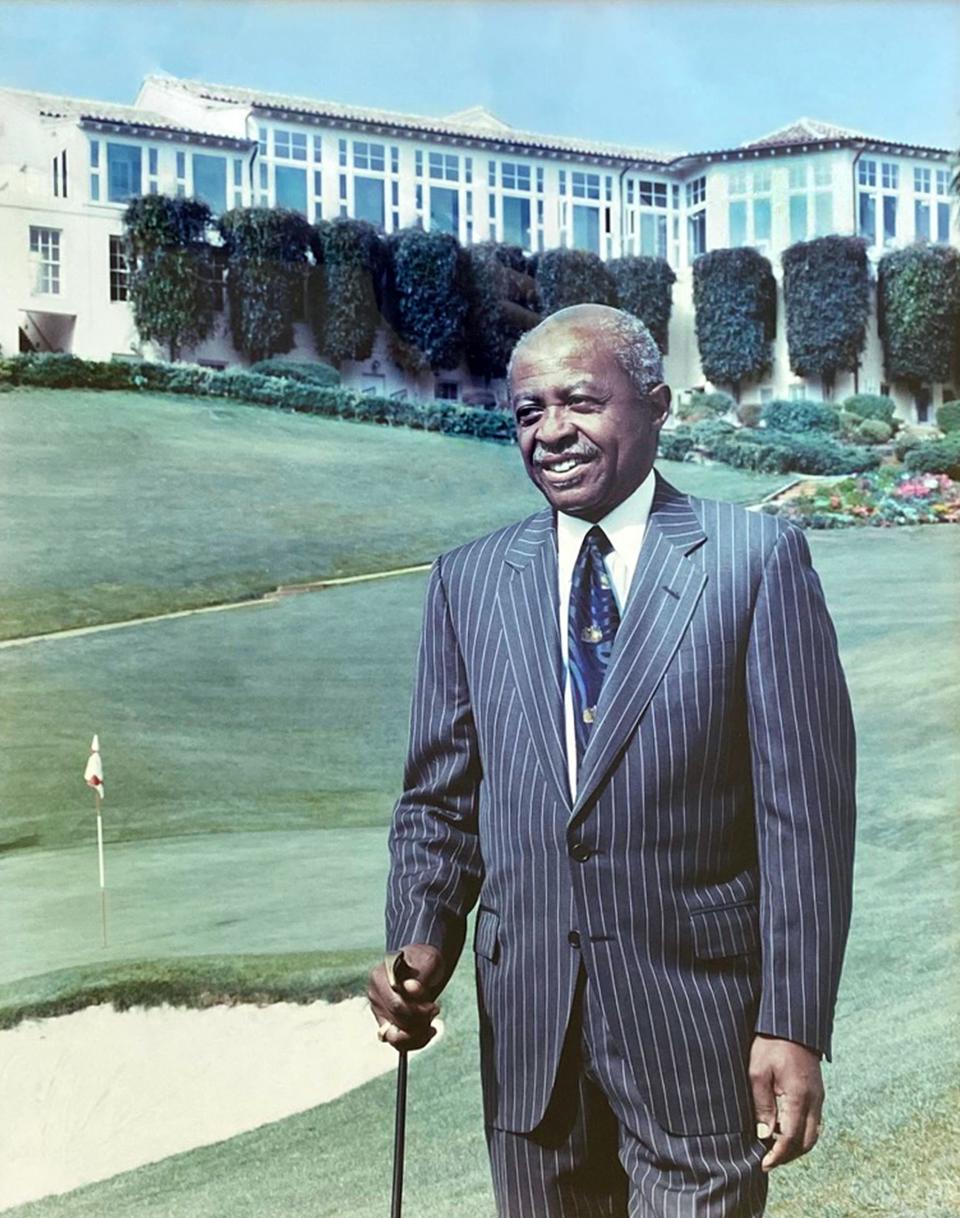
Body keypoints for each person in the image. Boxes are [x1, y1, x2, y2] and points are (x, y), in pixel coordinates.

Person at [368, 304, 856, 1217]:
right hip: (529, 1036)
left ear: (657, 404)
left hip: (697, 1032)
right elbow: (439, 800)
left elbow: (806, 822)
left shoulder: (756, 561)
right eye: (527, 412)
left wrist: (792, 1022)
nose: (551, 431)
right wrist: (420, 929)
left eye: (581, 402)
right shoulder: (468, 581)